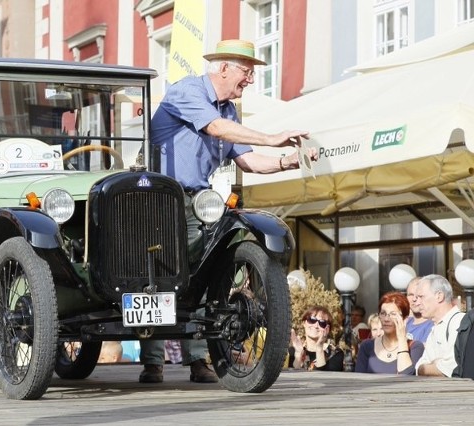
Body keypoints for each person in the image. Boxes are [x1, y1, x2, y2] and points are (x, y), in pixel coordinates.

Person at [140, 39, 318, 384]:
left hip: (198, 200)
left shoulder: (230, 112)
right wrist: (273, 136)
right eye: (246, 72)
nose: (250, 80)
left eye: (251, 73)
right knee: (159, 272)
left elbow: (247, 160)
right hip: (158, 198)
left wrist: (290, 160)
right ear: (223, 68)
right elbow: (214, 129)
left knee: (203, 271)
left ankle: (197, 359)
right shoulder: (187, 91)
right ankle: (153, 361)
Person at [355, 292, 424, 374]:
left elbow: (407, 377)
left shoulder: (415, 347)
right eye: (383, 314)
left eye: (393, 314)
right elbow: (358, 379)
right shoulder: (366, 346)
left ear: (405, 319)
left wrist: (402, 339)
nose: (386, 319)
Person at [415, 274, 465, 376]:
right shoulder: (435, 328)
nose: (417, 303)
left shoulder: (459, 323)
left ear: (439, 296)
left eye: (421, 297)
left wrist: (429, 367)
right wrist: (436, 365)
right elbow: (418, 368)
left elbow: (451, 368)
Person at [289, 306, 344, 371]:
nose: (316, 325)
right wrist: (298, 354)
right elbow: (293, 377)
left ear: (328, 329)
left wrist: (319, 348)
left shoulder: (335, 353)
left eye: (322, 323)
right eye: (312, 320)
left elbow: (327, 378)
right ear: (304, 323)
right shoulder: (294, 350)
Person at [405, 276, 434, 343]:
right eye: (411, 295)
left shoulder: (432, 326)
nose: (414, 299)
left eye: (419, 295)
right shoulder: (405, 323)